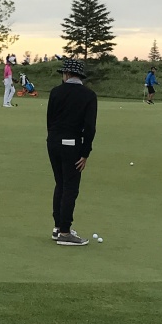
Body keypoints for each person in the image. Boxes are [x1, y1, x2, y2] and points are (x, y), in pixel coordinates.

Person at [46, 59, 98, 245]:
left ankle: (58, 227)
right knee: (70, 187)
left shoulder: (55, 92)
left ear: (67, 74)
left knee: (60, 184)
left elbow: (50, 120)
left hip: (53, 142)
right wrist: (85, 153)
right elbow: (90, 127)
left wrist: (53, 139)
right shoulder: (89, 95)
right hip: (71, 144)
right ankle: (65, 233)